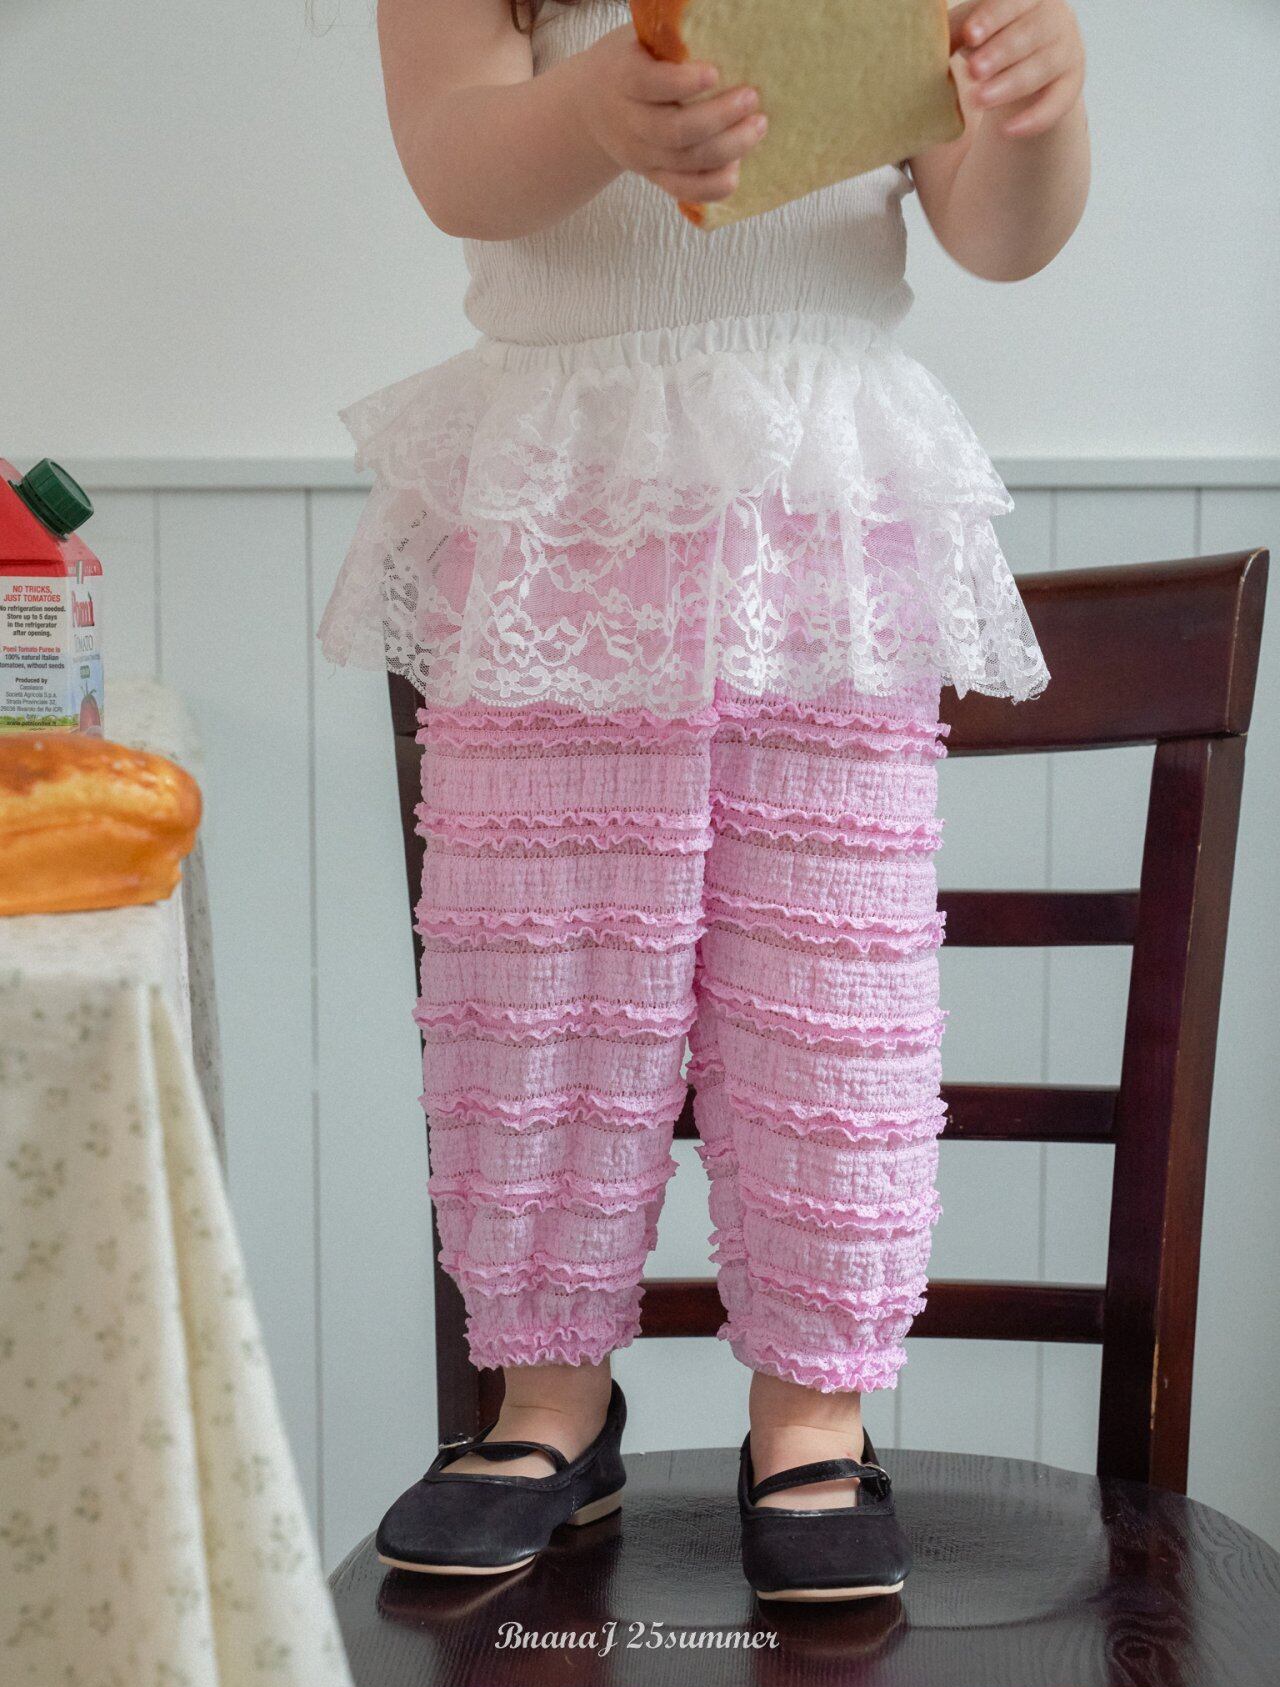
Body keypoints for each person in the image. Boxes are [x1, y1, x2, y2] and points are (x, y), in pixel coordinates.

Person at [317, 0, 1088, 1601]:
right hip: (565, 478)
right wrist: (591, 109)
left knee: (831, 983)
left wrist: (1037, 111)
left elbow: (1003, 237)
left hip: (823, 488)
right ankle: (547, 1398)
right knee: (537, 972)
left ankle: (814, 1409)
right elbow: (455, 163)